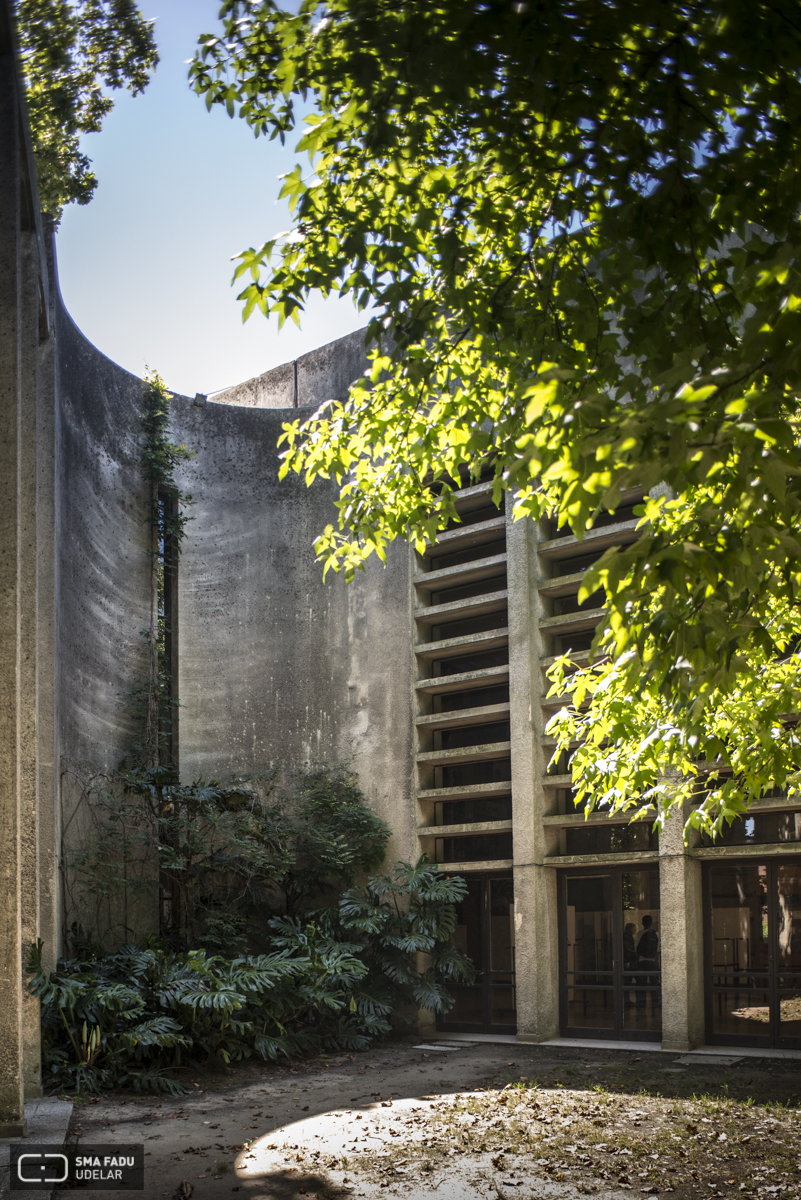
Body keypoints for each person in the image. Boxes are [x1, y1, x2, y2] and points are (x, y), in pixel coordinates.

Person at [635, 915, 660, 1011]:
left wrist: (637, 961)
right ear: (651, 923)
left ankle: (641, 1002)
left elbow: (636, 950)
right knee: (654, 983)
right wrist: (655, 960)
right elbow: (658, 949)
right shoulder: (656, 934)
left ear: (642, 923)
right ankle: (655, 1002)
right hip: (652, 961)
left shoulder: (639, 934)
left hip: (641, 961)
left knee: (641, 983)